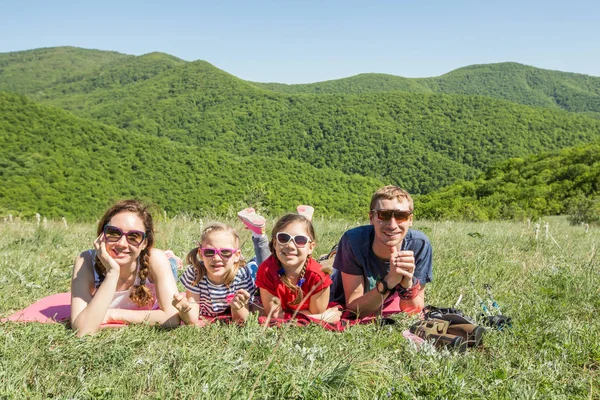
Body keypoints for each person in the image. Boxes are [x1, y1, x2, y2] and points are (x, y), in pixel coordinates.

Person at [70, 200, 180, 336]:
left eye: (134, 237)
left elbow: (172, 318)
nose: (122, 244)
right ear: (101, 235)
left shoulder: (154, 259)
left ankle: (172, 259)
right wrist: (112, 272)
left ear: (145, 243)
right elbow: (82, 330)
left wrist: (111, 314)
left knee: (170, 265)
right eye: (114, 233)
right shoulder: (85, 260)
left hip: (155, 265)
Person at [330, 185, 433, 317]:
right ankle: (333, 256)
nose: (392, 225)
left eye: (401, 216)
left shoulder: (419, 245)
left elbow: (413, 310)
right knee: (327, 269)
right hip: (342, 273)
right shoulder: (353, 241)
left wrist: (407, 284)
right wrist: (389, 281)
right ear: (371, 218)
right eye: (383, 215)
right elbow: (353, 309)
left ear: (410, 220)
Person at [255, 214, 341, 322]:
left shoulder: (318, 276)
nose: (290, 245)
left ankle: (332, 254)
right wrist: (321, 318)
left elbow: (314, 313)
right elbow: (275, 316)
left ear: (311, 247)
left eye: (300, 240)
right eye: (283, 238)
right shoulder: (267, 270)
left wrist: (287, 316)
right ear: (275, 243)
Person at [173, 223, 256, 324]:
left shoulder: (241, 274)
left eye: (225, 252)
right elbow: (192, 319)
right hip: (205, 310)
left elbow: (242, 320)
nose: (216, 258)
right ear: (201, 254)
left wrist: (237, 307)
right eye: (209, 252)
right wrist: (183, 311)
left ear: (237, 255)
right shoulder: (196, 273)